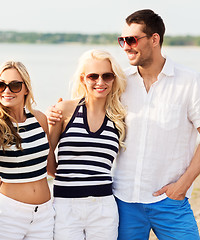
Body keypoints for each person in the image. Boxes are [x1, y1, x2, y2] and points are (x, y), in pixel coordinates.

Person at [49, 9, 200, 240]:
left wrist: (183, 184)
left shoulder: (189, 81)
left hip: (170, 200)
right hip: (123, 202)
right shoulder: (119, 83)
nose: (126, 46)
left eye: (131, 40)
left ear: (155, 39)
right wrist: (57, 113)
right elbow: (89, 101)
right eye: (122, 40)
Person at [47, 49, 126, 240]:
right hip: (65, 205)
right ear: (83, 79)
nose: (100, 82)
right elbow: (48, 156)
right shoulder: (64, 110)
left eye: (107, 76)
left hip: (103, 207)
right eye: (93, 76)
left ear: (114, 79)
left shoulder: (119, 118)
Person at [0, 61, 55, 240]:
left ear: (26, 89)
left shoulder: (39, 119)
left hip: (44, 214)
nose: (7, 91)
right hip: (9, 215)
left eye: (15, 85)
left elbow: (48, 165)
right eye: (1, 85)